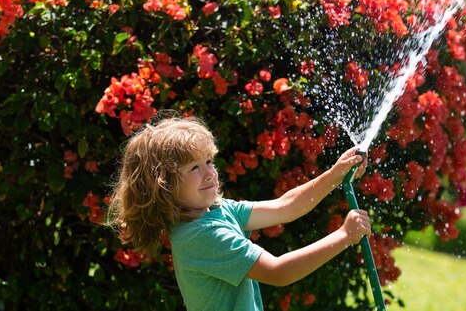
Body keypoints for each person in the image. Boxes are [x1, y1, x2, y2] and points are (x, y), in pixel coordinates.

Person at [108, 115, 371, 310]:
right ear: (164, 186)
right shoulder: (201, 236)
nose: (209, 172)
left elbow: (284, 207)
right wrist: (345, 236)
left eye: (209, 161)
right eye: (194, 168)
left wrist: (335, 174)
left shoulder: (218, 210)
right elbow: (279, 272)